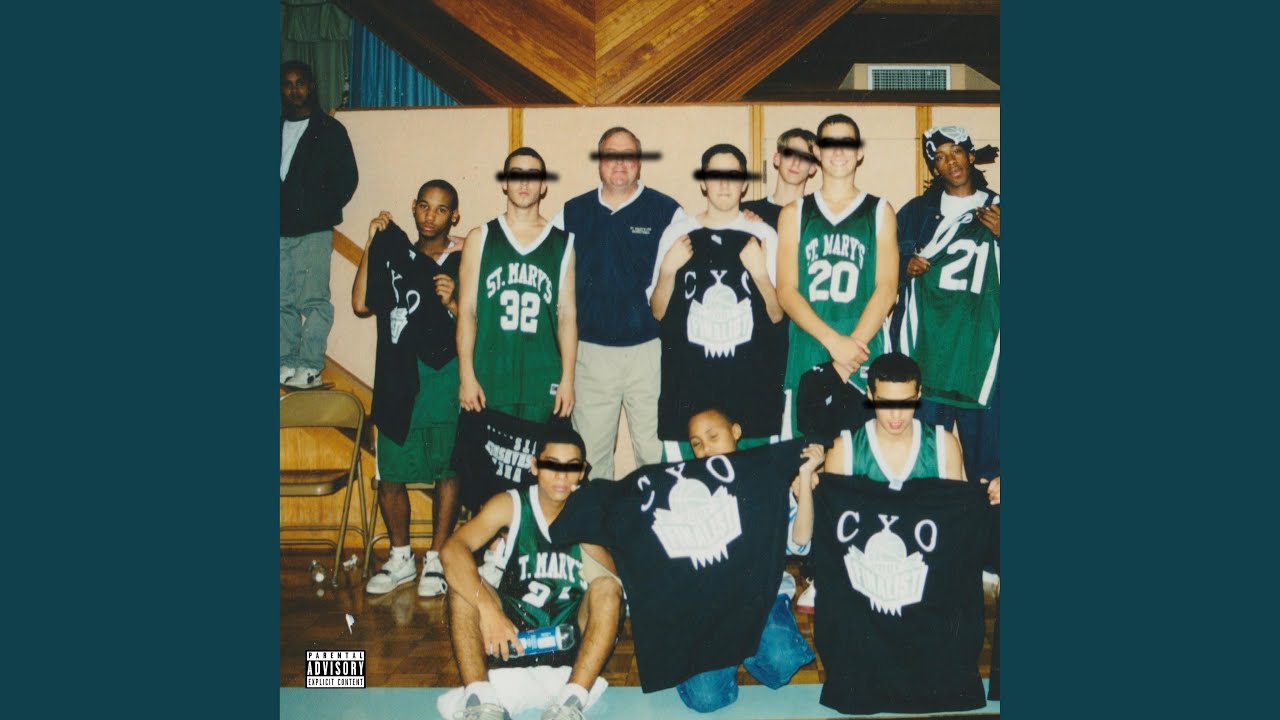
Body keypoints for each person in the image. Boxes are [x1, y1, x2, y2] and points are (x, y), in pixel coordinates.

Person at [441, 424, 623, 720]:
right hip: (510, 635)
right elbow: (452, 549)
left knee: (607, 589)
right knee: (463, 589)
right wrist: (488, 610)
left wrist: (587, 531)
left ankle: (571, 702)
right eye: (552, 465)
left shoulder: (591, 509)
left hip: (570, 639)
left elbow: (617, 583)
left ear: (582, 471)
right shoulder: (511, 505)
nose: (561, 476)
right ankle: (481, 700)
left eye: (571, 466)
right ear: (535, 466)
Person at [352, 179, 465, 597]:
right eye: (424, 206)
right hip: (398, 376)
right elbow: (361, 304)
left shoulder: (465, 258)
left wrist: (453, 303)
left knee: (448, 470)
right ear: (414, 208)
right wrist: (371, 242)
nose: (431, 216)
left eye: (441, 209)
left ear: (454, 215)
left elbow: (479, 320)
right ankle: (400, 557)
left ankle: (436, 558)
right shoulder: (392, 254)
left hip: (445, 376)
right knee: (392, 472)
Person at [554, 127, 685, 479]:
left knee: (655, 454)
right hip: (590, 354)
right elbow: (535, 242)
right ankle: (597, 518)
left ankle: (655, 515)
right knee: (591, 458)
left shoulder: (667, 211)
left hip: (649, 351)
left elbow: (703, 243)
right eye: (612, 154)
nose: (620, 163)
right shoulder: (572, 212)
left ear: (639, 162)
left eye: (628, 155)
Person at [674, 406, 823, 712]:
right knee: (706, 698)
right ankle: (724, 650)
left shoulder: (765, 479)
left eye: (713, 437)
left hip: (763, 597)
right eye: (697, 443)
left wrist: (805, 479)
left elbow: (800, 543)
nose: (706, 448)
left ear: (736, 432)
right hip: (710, 607)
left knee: (782, 663)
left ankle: (748, 645)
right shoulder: (683, 492)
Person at [647, 144, 784, 458]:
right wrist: (668, 269)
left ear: (744, 183)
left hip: (750, 389)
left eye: (732, 175)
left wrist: (760, 274)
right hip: (689, 387)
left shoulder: (763, 233)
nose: (724, 184)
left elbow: (777, 315)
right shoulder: (677, 233)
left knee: (751, 480)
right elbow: (658, 311)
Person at [893, 125, 1001, 492]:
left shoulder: (998, 208)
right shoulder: (916, 212)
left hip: (979, 356)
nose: (949, 161)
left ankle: (989, 531)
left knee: (988, 473)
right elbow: (883, 268)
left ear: (971, 156)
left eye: (955, 152)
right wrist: (903, 266)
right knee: (926, 467)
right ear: (934, 167)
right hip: (928, 353)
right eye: (939, 157)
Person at [777, 114, 898, 438]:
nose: (839, 152)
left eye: (847, 143)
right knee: (806, 455)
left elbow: (887, 288)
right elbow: (786, 291)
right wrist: (834, 344)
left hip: (863, 350)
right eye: (830, 144)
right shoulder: (794, 213)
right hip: (810, 344)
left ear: (860, 151)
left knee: (862, 454)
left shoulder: (879, 211)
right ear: (816, 151)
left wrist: (851, 351)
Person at [458, 147, 577, 423]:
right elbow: (467, 312)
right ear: (504, 182)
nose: (524, 183)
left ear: (544, 185)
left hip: (543, 379)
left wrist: (568, 380)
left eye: (533, 175)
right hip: (488, 380)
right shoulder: (480, 238)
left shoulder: (562, 243)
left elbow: (567, 317)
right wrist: (466, 375)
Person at [280, 60, 358, 389]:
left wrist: (318, 210)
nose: (294, 90)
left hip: (313, 230)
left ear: (311, 86)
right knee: (280, 300)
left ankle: (310, 366)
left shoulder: (329, 130)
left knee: (313, 301)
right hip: (279, 230)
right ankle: (285, 361)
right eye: (287, 84)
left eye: (300, 83)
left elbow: (347, 179)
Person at [742, 128, 819, 230]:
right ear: (777, 159)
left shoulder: (818, 218)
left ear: (812, 168)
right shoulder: (748, 212)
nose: (796, 162)